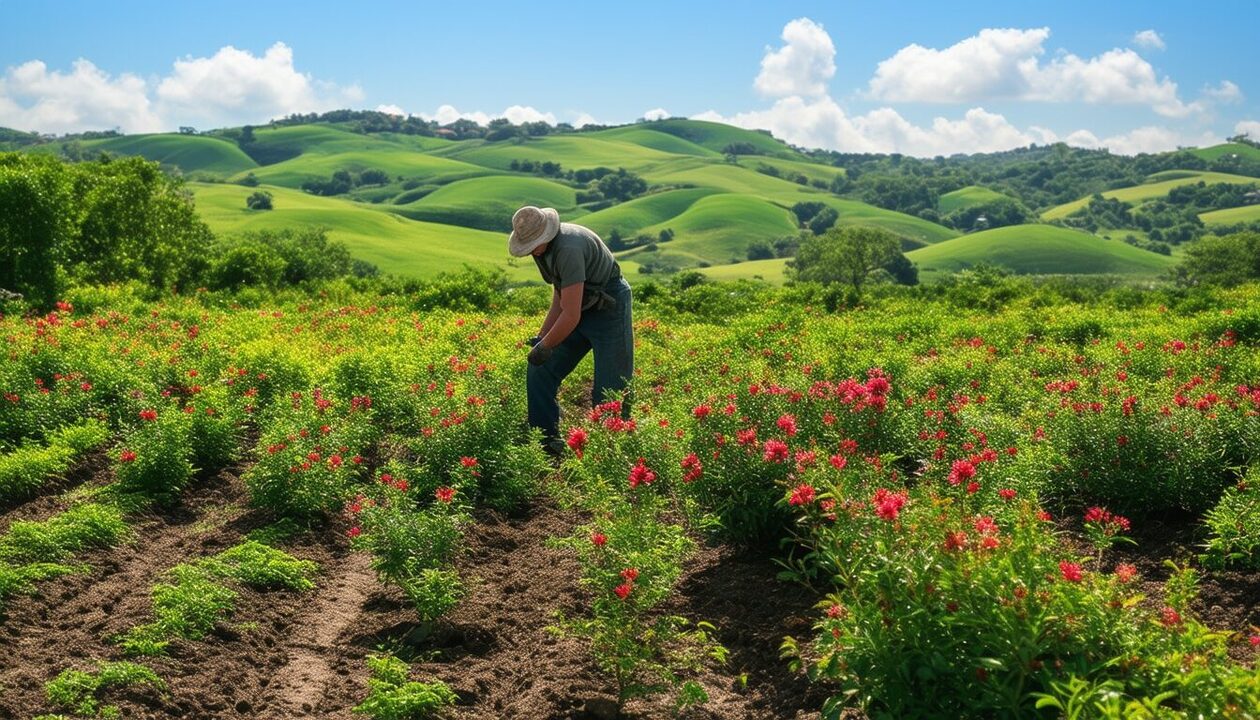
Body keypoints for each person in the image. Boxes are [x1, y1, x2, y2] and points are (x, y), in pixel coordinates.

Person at [507, 205, 633, 455]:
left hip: (609, 305)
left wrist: (545, 346)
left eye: (533, 244)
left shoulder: (568, 249)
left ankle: (612, 451)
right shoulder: (542, 251)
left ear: (546, 235)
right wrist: (543, 338)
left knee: (610, 388)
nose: (531, 251)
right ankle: (546, 439)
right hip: (578, 305)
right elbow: (561, 296)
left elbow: (571, 314)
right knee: (540, 369)